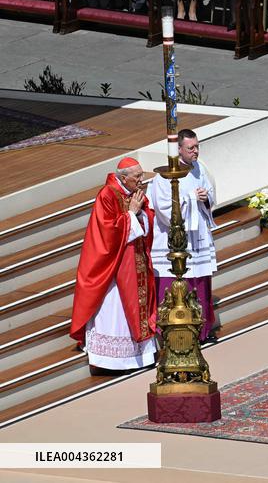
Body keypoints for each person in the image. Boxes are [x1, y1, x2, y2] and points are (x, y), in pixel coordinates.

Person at [70, 157, 158, 374]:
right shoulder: (107, 194)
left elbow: (148, 216)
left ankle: (140, 356)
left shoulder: (135, 193)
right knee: (116, 310)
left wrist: (141, 213)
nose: (141, 180)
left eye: (141, 174)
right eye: (137, 176)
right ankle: (113, 362)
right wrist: (131, 213)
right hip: (113, 266)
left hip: (135, 259)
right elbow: (107, 232)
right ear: (122, 177)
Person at [148, 130, 218, 343]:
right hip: (177, 239)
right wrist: (190, 197)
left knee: (200, 281)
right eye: (191, 148)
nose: (196, 151)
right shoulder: (164, 176)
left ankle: (201, 330)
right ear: (178, 149)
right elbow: (163, 208)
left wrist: (206, 198)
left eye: (197, 146)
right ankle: (172, 333)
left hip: (198, 237)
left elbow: (210, 195)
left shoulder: (199, 168)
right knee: (176, 285)